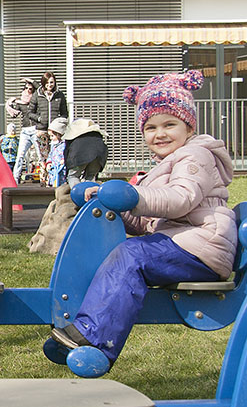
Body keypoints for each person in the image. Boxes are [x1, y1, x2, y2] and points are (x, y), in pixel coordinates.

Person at [49, 70, 235, 373]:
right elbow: (147, 220)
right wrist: (111, 204)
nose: (159, 134)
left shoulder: (195, 157)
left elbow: (180, 199)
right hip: (181, 241)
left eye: (169, 124)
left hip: (202, 246)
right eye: (150, 127)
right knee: (117, 252)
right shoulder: (166, 164)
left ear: (189, 126)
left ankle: (95, 338)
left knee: (132, 256)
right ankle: (75, 327)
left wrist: (134, 196)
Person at [29, 72, 68, 163]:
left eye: (51, 82)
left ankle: (54, 171)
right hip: (41, 130)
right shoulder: (37, 95)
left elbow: (64, 114)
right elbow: (30, 113)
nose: (49, 85)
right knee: (42, 157)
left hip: (55, 132)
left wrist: (58, 124)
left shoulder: (60, 95)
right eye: (47, 83)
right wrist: (39, 119)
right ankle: (43, 171)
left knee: (55, 156)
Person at [8, 80, 40, 183]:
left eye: (30, 89)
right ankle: (15, 179)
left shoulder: (36, 101)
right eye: (26, 88)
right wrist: (9, 104)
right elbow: (14, 114)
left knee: (40, 155)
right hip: (25, 131)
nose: (28, 90)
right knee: (20, 155)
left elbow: (40, 88)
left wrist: (30, 80)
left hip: (35, 129)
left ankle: (45, 177)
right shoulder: (21, 103)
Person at [63, 118, 109, 182]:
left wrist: (67, 171)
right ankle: (90, 188)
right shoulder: (96, 135)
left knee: (73, 176)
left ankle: (76, 188)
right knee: (91, 176)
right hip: (98, 156)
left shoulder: (73, 139)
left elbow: (67, 153)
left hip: (78, 157)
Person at [44, 117, 68, 187]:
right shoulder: (53, 145)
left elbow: (67, 154)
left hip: (61, 169)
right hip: (53, 169)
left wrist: (64, 160)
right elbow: (50, 155)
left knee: (61, 184)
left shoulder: (64, 144)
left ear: (59, 134)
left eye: (52, 136)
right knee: (53, 182)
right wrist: (49, 163)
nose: (51, 138)